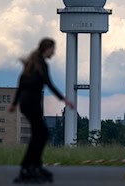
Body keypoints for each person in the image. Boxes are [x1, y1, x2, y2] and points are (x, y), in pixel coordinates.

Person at [8, 38, 74, 183]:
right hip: (32, 104)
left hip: (26, 104)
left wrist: (14, 104)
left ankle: (33, 166)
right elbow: (49, 84)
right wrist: (65, 100)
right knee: (41, 134)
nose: (54, 52)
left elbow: (21, 84)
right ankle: (29, 167)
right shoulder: (41, 64)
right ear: (47, 49)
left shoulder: (32, 64)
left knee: (39, 134)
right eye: (53, 49)